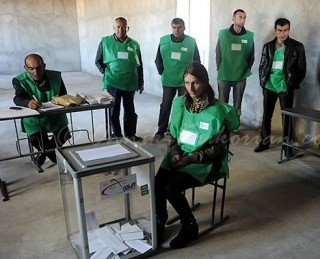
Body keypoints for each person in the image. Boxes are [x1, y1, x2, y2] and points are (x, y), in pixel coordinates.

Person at [155, 62, 239, 249]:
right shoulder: (179, 104)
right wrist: (176, 152)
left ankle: (189, 225)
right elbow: (172, 134)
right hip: (181, 156)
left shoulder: (217, 110)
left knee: (171, 188)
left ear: (205, 83)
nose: (190, 88)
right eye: (186, 83)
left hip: (206, 162)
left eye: (195, 83)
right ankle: (160, 220)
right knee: (157, 182)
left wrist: (190, 159)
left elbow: (219, 149)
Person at [254, 18, 306, 156]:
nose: (282, 33)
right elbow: (262, 66)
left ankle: (287, 146)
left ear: (289, 30)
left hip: (285, 86)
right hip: (270, 85)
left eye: (285, 30)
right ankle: (264, 143)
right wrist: (263, 83)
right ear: (275, 30)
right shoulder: (268, 46)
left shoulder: (297, 46)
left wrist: (290, 85)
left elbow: (302, 69)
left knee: (287, 117)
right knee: (267, 115)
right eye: (279, 30)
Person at [13, 54, 70, 170]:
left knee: (64, 135)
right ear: (25, 68)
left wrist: (62, 100)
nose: (35, 72)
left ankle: (43, 154)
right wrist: (27, 102)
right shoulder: (19, 80)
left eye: (38, 68)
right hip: (34, 118)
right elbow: (17, 98)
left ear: (44, 66)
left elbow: (63, 94)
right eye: (31, 69)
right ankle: (56, 158)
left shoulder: (55, 76)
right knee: (36, 140)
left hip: (55, 114)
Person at [95, 17, 144, 142]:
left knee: (130, 110)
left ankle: (130, 135)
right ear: (114, 28)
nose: (121, 30)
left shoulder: (134, 45)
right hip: (113, 83)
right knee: (114, 110)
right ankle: (116, 135)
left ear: (127, 28)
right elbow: (98, 61)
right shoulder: (105, 42)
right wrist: (106, 73)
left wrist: (140, 82)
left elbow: (140, 65)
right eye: (118, 27)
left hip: (130, 82)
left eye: (123, 27)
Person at [153, 18, 201, 141]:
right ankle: (161, 130)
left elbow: (196, 60)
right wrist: (162, 72)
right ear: (171, 28)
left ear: (184, 27)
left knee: (183, 105)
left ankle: (177, 129)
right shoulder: (164, 41)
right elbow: (158, 59)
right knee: (166, 105)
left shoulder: (191, 42)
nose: (177, 30)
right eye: (174, 27)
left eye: (179, 27)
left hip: (184, 81)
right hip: (168, 79)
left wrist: (193, 78)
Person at [216, 9, 254, 117]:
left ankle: (235, 126)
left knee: (237, 104)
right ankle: (223, 125)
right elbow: (218, 53)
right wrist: (220, 68)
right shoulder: (223, 34)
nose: (243, 20)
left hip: (240, 76)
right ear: (233, 18)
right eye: (240, 17)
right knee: (223, 103)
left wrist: (245, 69)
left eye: (244, 17)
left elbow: (252, 56)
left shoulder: (249, 36)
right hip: (224, 74)